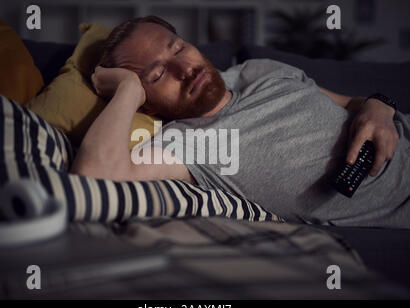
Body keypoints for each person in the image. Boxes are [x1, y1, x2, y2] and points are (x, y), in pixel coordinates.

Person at [70, 16, 410, 228]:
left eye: (179, 48)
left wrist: (380, 107)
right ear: (149, 106)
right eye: (158, 74)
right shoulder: (184, 144)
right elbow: (93, 176)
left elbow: (351, 102)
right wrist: (127, 90)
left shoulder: (257, 70)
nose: (185, 69)